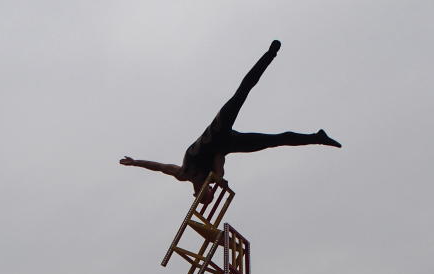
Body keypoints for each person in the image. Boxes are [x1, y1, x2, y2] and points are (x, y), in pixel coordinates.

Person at [120, 40, 341, 204]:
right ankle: (317, 138)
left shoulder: (184, 174)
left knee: (241, 93)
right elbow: (219, 159)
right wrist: (221, 178)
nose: (207, 187)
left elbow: (158, 167)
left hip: (217, 131)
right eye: (210, 190)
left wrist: (136, 161)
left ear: (197, 191)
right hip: (228, 143)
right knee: (275, 140)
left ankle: (269, 54)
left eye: (205, 190)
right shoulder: (212, 176)